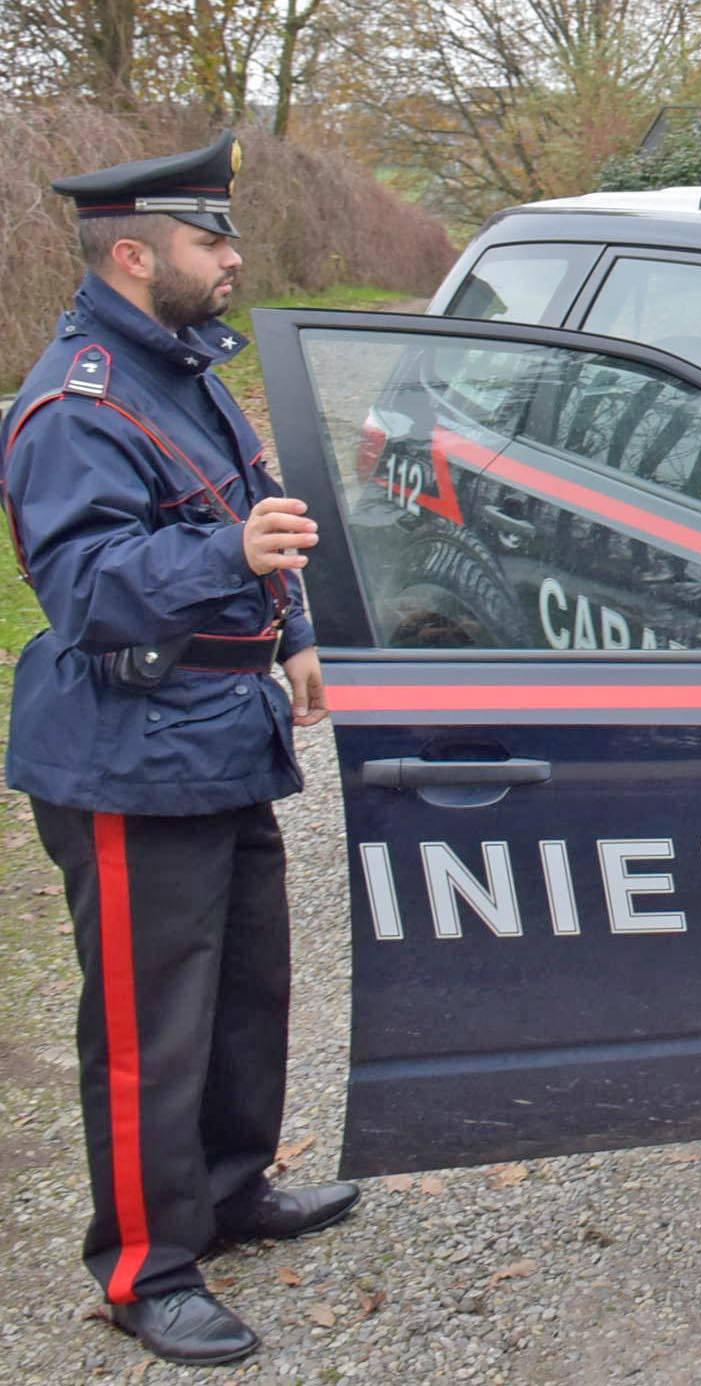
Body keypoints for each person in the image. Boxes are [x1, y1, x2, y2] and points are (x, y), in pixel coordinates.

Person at [1, 131, 357, 1367]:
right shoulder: (73, 403)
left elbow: (252, 505)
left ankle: (229, 1187)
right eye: (214, 241)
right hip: (125, 753)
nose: (236, 257)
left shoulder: (188, 369)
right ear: (138, 255)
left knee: (249, 989)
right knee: (151, 1025)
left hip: (219, 728)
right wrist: (233, 562)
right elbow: (85, 588)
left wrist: (296, 631)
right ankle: (146, 1268)